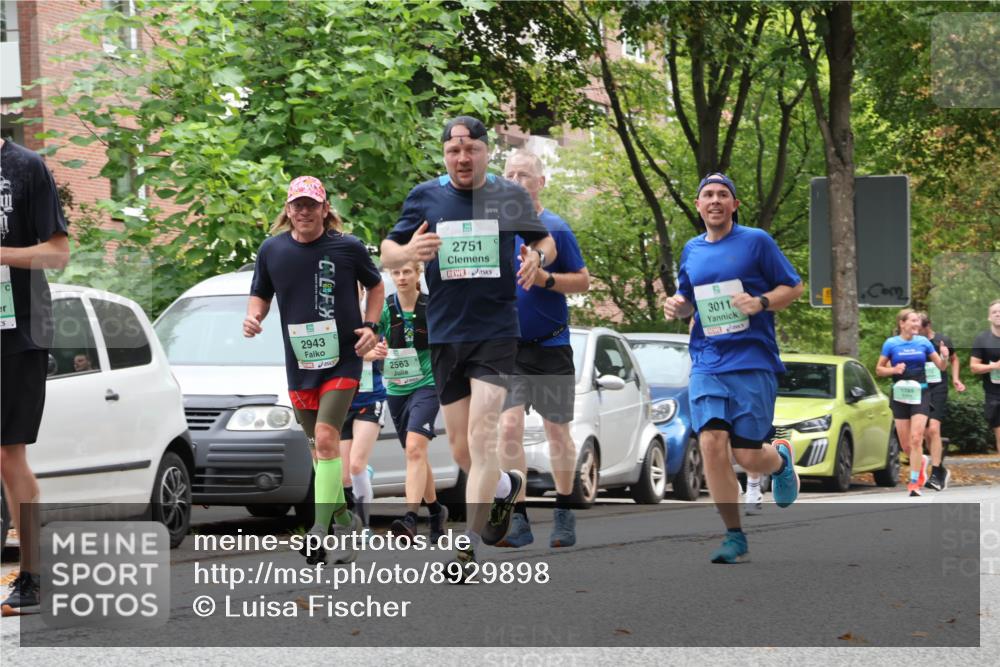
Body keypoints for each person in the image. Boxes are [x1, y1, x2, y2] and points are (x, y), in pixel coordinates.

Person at [381, 116, 556, 580]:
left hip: (497, 331)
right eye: (454, 151)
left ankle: (468, 544)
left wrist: (537, 258)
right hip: (444, 334)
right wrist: (408, 254)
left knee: (482, 438)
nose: (462, 158)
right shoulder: (426, 197)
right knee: (461, 449)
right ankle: (504, 486)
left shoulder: (509, 196)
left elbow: (545, 241)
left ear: (485, 152)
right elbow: (387, 251)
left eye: (471, 150)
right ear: (445, 155)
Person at [662, 172, 803, 564]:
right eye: (708, 194)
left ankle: (778, 461)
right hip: (707, 359)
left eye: (724, 194)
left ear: (734, 204)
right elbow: (687, 298)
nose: (715, 200)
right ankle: (733, 534)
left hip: (753, 359)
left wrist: (760, 302)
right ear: (698, 204)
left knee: (747, 455)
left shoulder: (757, 241)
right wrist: (677, 305)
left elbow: (793, 286)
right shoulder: (691, 250)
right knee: (710, 440)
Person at [244, 175, 384, 565]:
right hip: (300, 363)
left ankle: (318, 533)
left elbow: (376, 287)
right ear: (288, 211)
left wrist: (370, 326)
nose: (304, 211)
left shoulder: (348, 248)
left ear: (325, 209)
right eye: (297, 205)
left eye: (311, 205)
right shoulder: (272, 250)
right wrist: (254, 317)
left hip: (344, 357)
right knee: (320, 452)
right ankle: (344, 518)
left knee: (326, 438)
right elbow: (261, 293)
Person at [497, 149, 590, 549]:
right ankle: (518, 518)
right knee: (508, 428)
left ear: (541, 182)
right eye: (510, 174)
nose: (517, 181)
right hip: (506, 348)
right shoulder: (495, 230)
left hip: (550, 345)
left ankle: (565, 509)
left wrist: (547, 281)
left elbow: (583, 281)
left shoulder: (556, 228)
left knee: (557, 434)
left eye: (525, 175)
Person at [1, 138, 71, 609]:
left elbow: (57, 253)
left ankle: (33, 577)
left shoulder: (24, 167)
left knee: (9, 454)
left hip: (18, 329)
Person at [380, 260, 450, 544]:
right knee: (416, 455)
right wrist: (375, 348)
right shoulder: (386, 308)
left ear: (418, 273)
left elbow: (448, 343)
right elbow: (371, 339)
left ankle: (410, 518)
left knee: (414, 447)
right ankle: (436, 511)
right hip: (397, 389)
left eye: (407, 271)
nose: (401, 277)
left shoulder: (431, 307)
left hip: (427, 384)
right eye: (396, 272)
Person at [875, 309, 947, 497]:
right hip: (900, 395)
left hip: (921, 393)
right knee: (906, 445)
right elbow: (879, 370)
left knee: (916, 438)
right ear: (902, 323)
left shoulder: (923, 342)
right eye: (913, 321)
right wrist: (894, 370)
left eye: (918, 321)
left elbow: (941, 366)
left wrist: (945, 356)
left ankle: (914, 483)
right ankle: (921, 462)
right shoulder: (891, 344)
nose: (916, 324)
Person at [338, 289, 387, 537]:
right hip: (343, 400)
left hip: (370, 398)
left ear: (362, 291)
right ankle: (361, 480)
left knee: (357, 464)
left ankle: (364, 526)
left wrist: (373, 353)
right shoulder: (334, 317)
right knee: (344, 474)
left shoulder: (373, 317)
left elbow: (379, 351)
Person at [919, 312, 965, 490]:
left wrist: (955, 379)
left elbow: (954, 359)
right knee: (925, 433)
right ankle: (940, 468)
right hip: (921, 388)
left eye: (920, 328)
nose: (916, 331)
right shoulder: (915, 342)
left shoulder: (942, 340)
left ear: (927, 326)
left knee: (933, 428)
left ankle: (936, 472)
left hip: (938, 388)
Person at [970, 299, 1000, 455]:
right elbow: (974, 367)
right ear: (989, 317)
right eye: (994, 312)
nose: (998, 314)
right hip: (994, 394)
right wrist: (993, 366)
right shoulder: (982, 339)